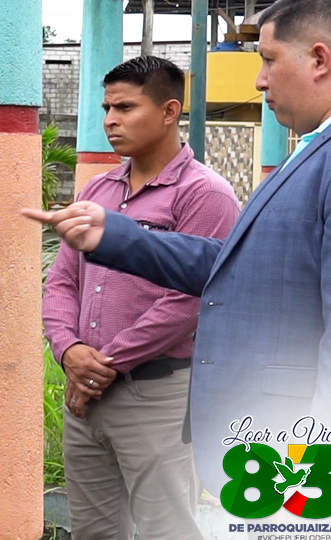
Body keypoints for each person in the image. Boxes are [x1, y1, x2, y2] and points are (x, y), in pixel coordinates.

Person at [25, 0, 331, 516]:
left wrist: (321, 485)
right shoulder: (329, 143)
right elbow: (240, 269)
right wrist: (115, 237)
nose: (260, 80)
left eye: (268, 59)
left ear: (319, 59)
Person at [43, 56, 239, 540]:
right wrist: (68, 350)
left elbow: (191, 298)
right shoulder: (97, 189)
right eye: (107, 108)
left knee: (166, 530)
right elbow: (63, 280)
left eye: (126, 107)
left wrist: (103, 364)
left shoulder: (205, 194)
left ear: (170, 111)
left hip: (156, 396)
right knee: (94, 531)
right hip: (86, 394)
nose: (111, 120)